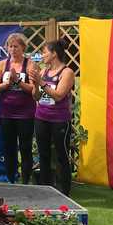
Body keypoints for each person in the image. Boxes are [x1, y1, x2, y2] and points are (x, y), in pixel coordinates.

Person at [28, 39, 74, 196]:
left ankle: (64, 191)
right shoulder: (43, 71)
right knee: (43, 155)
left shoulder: (67, 72)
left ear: (54, 54)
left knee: (62, 155)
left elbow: (59, 95)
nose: (42, 55)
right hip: (41, 118)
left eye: (44, 52)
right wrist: (35, 84)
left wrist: (41, 82)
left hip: (59, 120)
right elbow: (36, 97)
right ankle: (45, 189)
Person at [0, 33, 36, 184]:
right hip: (6, 113)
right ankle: (11, 179)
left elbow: (33, 89)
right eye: (10, 46)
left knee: (25, 148)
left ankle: (26, 180)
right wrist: (7, 84)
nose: (12, 49)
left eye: (16, 46)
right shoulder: (2, 64)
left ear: (23, 48)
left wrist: (18, 81)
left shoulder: (30, 64)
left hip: (25, 114)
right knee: (9, 148)